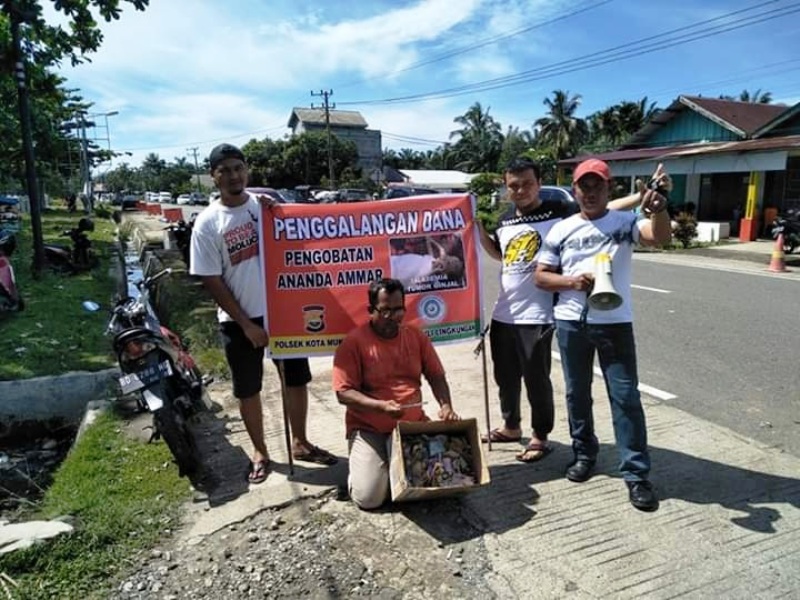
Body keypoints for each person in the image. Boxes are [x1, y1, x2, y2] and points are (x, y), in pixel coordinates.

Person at [476, 157, 658, 463]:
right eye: (514, 186)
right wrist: (477, 229)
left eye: (527, 184)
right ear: (507, 189)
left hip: (540, 314)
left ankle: (539, 436)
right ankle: (510, 426)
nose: (521, 190)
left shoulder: (559, 212)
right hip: (504, 311)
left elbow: (604, 205)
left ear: (539, 184)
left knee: (536, 379)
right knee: (504, 376)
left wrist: (642, 197)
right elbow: (501, 252)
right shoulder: (505, 219)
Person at [190, 143, 336, 485]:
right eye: (224, 170)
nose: (232, 175)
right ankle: (260, 452)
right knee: (248, 390)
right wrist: (245, 323)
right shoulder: (207, 224)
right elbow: (210, 279)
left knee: (297, 380)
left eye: (238, 168)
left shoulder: (268, 207)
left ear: (247, 171)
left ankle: (300, 442)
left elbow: (305, 242)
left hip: (284, 314)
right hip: (239, 321)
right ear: (213, 176)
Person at [535, 158, 671, 512]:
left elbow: (659, 237)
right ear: (575, 190)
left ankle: (637, 475)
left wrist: (658, 208)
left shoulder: (625, 222)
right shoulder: (561, 229)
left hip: (614, 323)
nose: (590, 192)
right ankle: (584, 454)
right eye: (584, 185)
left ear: (608, 188)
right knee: (577, 394)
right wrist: (571, 281)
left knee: (625, 397)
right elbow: (541, 276)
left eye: (597, 185)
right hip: (569, 321)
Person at [332, 278, 460, 510]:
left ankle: (395, 461)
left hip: (411, 426)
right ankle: (360, 474)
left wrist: (446, 405)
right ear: (371, 310)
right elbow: (343, 393)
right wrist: (380, 407)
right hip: (369, 428)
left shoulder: (416, 336)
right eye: (385, 311)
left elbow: (436, 375)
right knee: (369, 499)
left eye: (398, 309)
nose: (393, 316)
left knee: (438, 480)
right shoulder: (353, 343)